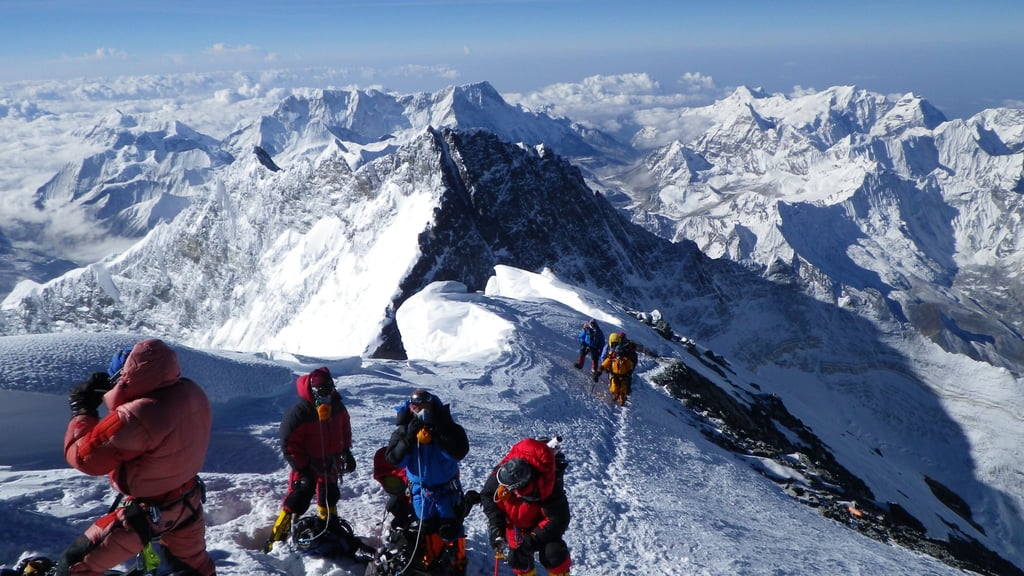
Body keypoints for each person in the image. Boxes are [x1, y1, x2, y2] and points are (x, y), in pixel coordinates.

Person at [58, 339, 215, 576]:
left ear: (125, 378)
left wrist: (82, 411)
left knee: (75, 567)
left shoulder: (135, 415)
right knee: (195, 567)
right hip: (188, 500)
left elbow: (84, 458)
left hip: (148, 513)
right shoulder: (190, 391)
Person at [266, 366, 356, 550]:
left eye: (330, 387)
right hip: (307, 464)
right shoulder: (300, 412)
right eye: (323, 389)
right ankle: (275, 540)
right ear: (313, 391)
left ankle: (329, 528)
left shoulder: (337, 407)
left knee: (329, 496)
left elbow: (344, 430)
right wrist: (303, 469)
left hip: (330, 462)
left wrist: (346, 451)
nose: (328, 393)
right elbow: (289, 444)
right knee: (297, 499)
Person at [385, 389, 470, 573]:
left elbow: (459, 452)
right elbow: (393, 459)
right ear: (411, 409)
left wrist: (438, 434)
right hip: (421, 492)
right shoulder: (404, 430)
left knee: (451, 528)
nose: (422, 412)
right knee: (427, 527)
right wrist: (409, 438)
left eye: (426, 407)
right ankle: (431, 560)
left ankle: (459, 565)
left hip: (447, 491)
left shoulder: (447, 427)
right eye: (418, 408)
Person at [481, 438, 571, 576]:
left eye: (508, 488)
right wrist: (496, 527)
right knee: (517, 559)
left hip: (540, 528)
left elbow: (557, 520)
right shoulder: (504, 473)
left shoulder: (547, 486)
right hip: (516, 523)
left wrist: (529, 544)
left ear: (518, 486)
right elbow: (488, 496)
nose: (503, 489)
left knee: (553, 554)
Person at [599, 332, 638, 405]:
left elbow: (630, 364)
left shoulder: (626, 353)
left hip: (624, 373)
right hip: (615, 372)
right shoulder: (613, 356)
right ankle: (615, 393)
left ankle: (622, 397)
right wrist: (601, 369)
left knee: (624, 386)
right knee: (614, 386)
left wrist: (629, 371)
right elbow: (605, 362)